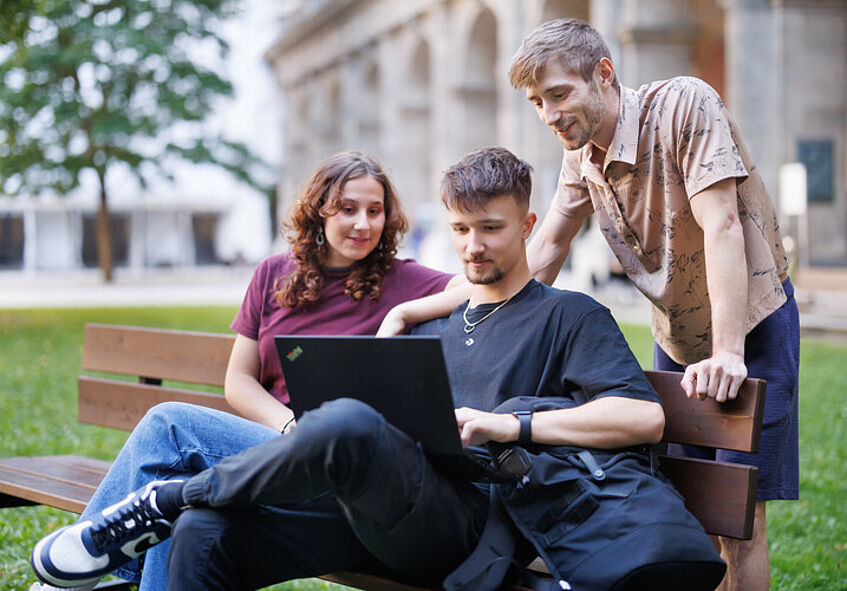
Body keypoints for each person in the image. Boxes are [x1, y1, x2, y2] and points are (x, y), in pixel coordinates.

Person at [31, 147, 724, 591]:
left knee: (350, 425)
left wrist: (504, 424)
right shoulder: (434, 314)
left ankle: (163, 497)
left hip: (469, 525)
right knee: (204, 534)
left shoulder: (568, 315)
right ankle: (175, 511)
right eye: (459, 228)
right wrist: (398, 326)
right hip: (376, 506)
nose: (472, 245)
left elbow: (643, 416)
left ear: (527, 224)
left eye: (491, 227)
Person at [28, 150, 458, 591]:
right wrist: (288, 425)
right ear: (319, 210)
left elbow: (474, 285)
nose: (363, 224)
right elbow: (238, 380)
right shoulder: (273, 274)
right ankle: (97, 576)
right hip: (273, 443)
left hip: (335, 465)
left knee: (168, 424)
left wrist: (403, 312)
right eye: (347, 209)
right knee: (174, 492)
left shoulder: (403, 279)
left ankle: (78, 579)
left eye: (375, 210)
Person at [506, 18, 798, 591]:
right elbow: (546, 248)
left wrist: (729, 352)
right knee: (692, 512)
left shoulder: (684, 105)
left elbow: (721, 226)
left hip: (750, 327)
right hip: (676, 338)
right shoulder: (580, 157)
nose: (548, 114)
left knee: (739, 520)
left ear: (604, 75)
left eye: (559, 94)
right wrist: (488, 316)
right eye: (537, 102)